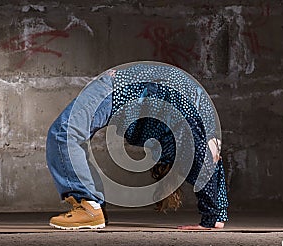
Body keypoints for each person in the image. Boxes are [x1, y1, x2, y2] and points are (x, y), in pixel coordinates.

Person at [46, 63, 228, 230]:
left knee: (64, 132)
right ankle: (91, 205)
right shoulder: (198, 129)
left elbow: (207, 164)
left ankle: (89, 206)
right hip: (123, 88)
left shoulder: (197, 131)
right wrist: (214, 218)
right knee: (66, 133)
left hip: (118, 88)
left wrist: (212, 219)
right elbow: (208, 164)